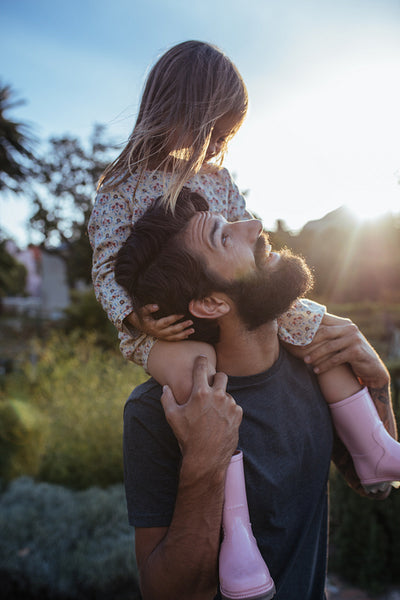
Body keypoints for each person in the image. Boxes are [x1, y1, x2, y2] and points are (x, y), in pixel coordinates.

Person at [114, 191, 397, 600]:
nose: (254, 226)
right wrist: (204, 462)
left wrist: (379, 384)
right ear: (211, 303)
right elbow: (164, 593)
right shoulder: (158, 411)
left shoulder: (315, 367)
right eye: (224, 238)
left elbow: (377, 485)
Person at [88, 39, 374, 408]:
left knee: (321, 339)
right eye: (212, 134)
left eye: (224, 138)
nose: (215, 147)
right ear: (175, 113)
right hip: (168, 328)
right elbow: (105, 267)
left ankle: (373, 448)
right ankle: (225, 461)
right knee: (194, 370)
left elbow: (248, 237)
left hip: (237, 305)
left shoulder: (217, 178)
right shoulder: (122, 187)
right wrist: (134, 319)